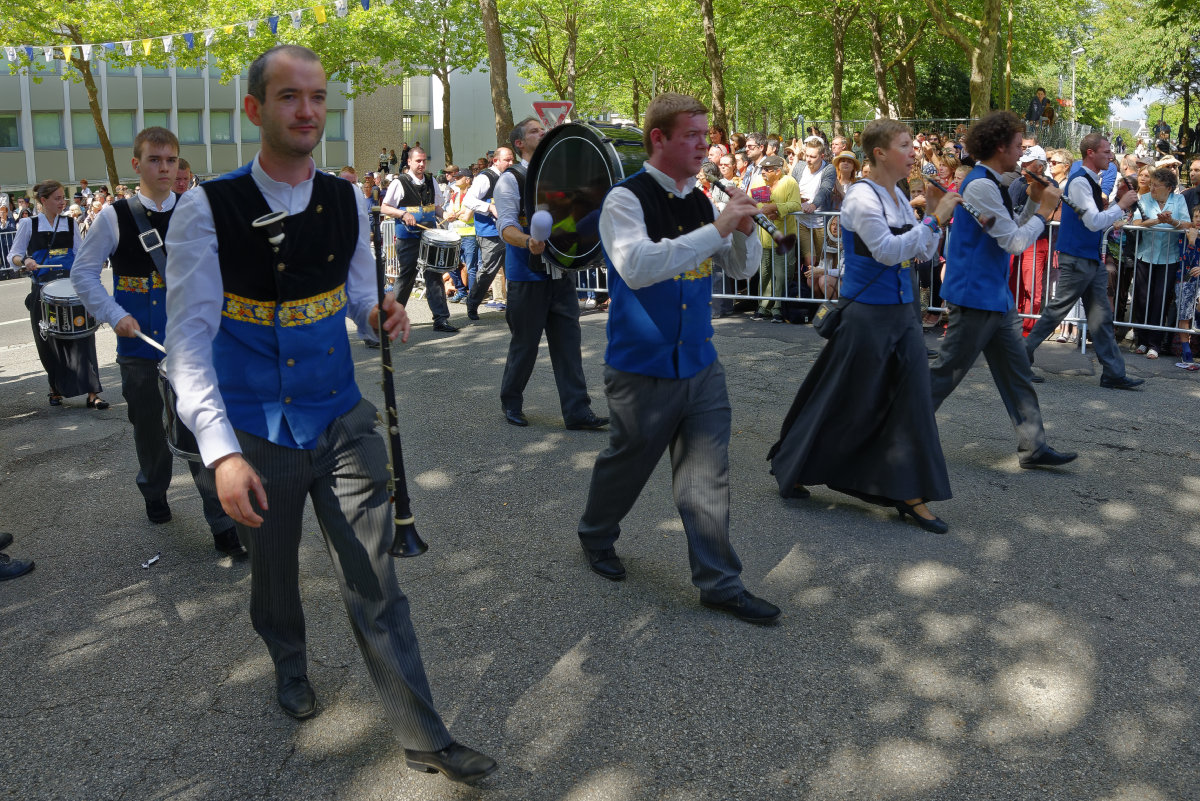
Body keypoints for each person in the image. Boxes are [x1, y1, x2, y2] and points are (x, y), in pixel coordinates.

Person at [163, 44, 495, 785]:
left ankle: (424, 732)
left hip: (341, 420)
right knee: (273, 574)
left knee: (376, 577)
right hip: (255, 431)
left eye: (316, 96)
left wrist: (379, 316)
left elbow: (355, 306)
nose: (307, 110)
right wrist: (221, 453)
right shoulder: (203, 208)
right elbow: (187, 346)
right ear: (255, 109)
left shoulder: (346, 200)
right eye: (288, 97)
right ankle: (287, 660)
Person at [578, 92, 779, 624]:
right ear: (658, 139)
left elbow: (736, 272)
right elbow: (639, 267)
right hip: (640, 366)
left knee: (707, 477)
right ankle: (596, 534)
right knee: (628, 462)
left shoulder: (704, 200)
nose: (703, 144)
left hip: (699, 362)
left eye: (705, 133)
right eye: (691, 134)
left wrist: (742, 231)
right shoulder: (625, 200)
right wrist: (716, 228)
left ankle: (720, 582)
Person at [768, 118, 959, 534]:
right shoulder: (860, 197)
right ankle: (795, 463)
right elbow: (888, 252)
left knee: (912, 399)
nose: (913, 152)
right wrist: (933, 220)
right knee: (845, 399)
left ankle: (910, 492)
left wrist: (933, 225)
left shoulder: (899, 196)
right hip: (867, 315)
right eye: (905, 145)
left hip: (903, 312)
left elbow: (921, 255)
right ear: (879, 153)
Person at [70, 127, 246, 554]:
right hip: (141, 347)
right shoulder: (115, 216)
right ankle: (153, 490)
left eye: (171, 160)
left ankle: (222, 526)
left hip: (195, 346)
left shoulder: (196, 208)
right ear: (137, 164)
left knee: (201, 428)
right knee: (149, 430)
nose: (164, 168)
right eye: (155, 160)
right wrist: (115, 315)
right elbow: (83, 273)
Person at [930, 111, 1078, 469]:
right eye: (1017, 146)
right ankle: (895, 432)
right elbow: (1014, 242)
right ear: (1000, 147)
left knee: (1017, 374)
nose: (1022, 153)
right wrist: (1045, 209)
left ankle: (1034, 447)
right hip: (975, 295)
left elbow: (1013, 229)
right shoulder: (980, 184)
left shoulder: (990, 182)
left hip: (993, 294)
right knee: (944, 374)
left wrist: (1032, 199)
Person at [495, 117, 608, 431]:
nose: (541, 133)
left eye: (542, 130)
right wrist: (528, 241)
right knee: (525, 346)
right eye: (534, 131)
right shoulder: (511, 179)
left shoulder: (559, 176)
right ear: (519, 143)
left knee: (569, 347)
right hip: (527, 278)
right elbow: (505, 228)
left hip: (561, 275)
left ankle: (577, 412)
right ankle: (511, 402)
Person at [1027, 133, 1144, 389]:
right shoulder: (1080, 182)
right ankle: (1019, 360)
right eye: (1105, 151)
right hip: (1077, 257)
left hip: (1087, 257)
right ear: (1090, 153)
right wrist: (1121, 205)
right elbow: (1092, 222)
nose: (1111, 156)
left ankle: (1113, 372)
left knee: (1100, 317)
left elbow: (1095, 219)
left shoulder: (1089, 180)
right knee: (1056, 312)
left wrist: (1116, 203)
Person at [8, 180, 108, 409]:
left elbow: (79, 254)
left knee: (84, 338)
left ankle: (93, 392)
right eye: (57, 198)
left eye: (63, 197)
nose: (62, 202)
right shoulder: (28, 224)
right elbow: (13, 255)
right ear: (43, 201)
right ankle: (55, 387)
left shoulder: (71, 224)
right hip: (43, 291)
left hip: (71, 288)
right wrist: (25, 260)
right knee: (49, 342)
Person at [381, 147, 458, 333]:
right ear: (409, 162)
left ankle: (441, 320)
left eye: (424, 160)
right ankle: (392, 319)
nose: (422, 164)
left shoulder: (431, 180)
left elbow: (436, 207)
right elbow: (384, 207)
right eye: (418, 161)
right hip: (407, 237)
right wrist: (403, 213)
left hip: (429, 236)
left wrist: (446, 214)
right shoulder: (400, 183)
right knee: (407, 277)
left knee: (434, 275)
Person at [1126, 166, 1188, 359]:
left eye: (1156, 186)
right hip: (1145, 255)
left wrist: (1171, 222)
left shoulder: (1179, 200)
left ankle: (1155, 343)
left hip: (1169, 258)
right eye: (1151, 185)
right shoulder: (1144, 199)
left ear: (1169, 188)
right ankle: (1142, 340)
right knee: (1142, 298)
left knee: (1161, 300)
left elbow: (1188, 224)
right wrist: (1154, 221)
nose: (1152, 189)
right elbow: (1135, 224)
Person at [461, 146, 515, 319]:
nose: (511, 163)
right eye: (507, 160)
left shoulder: (511, 176)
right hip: (490, 232)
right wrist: (489, 207)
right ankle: (473, 302)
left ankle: (516, 306)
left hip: (511, 230)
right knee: (488, 270)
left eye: (512, 159)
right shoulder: (485, 177)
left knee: (514, 268)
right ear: (496, 161)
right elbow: (469, 200)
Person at [749, 154, 800, 322]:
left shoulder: (790, 182)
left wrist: (776, 207)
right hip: (763, 237)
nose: (763, 172)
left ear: (778, 171)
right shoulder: (757, 181)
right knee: (764, 273)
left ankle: (778, 307)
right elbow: (751, 202)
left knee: (781, 273)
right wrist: (764, 208)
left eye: (768, 170)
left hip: (783, 237)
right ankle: (763, 306)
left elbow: (795, 205)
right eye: (763, 169)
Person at [1174, 205, 1200, 370]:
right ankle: (1186, 354)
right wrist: (1191, 241)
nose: (1199, 219)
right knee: (1184, 314)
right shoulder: (1185, 234)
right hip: (1185, 279)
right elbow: (1184, 260)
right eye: (1196, 216)